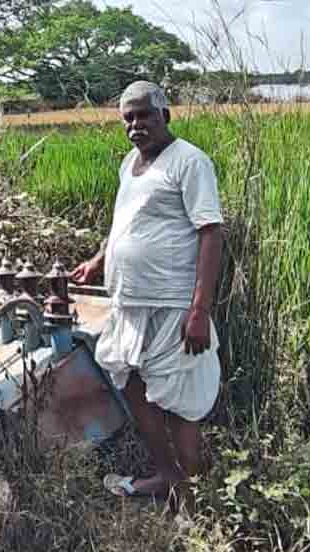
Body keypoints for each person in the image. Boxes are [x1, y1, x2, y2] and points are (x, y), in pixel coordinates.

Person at [70, 80, 224, 508]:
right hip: (129, 302)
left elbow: (210, 233)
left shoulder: (190, 162)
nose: (136, 124)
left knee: (182, 404)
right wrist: (99, 259)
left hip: (174, 305)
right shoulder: (130, 163)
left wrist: (200, 310)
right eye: (128, 117)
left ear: (165, 115)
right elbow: (126, 221)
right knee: (135, 387)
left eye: (144, 114)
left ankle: (195, 500)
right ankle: (167, 477)